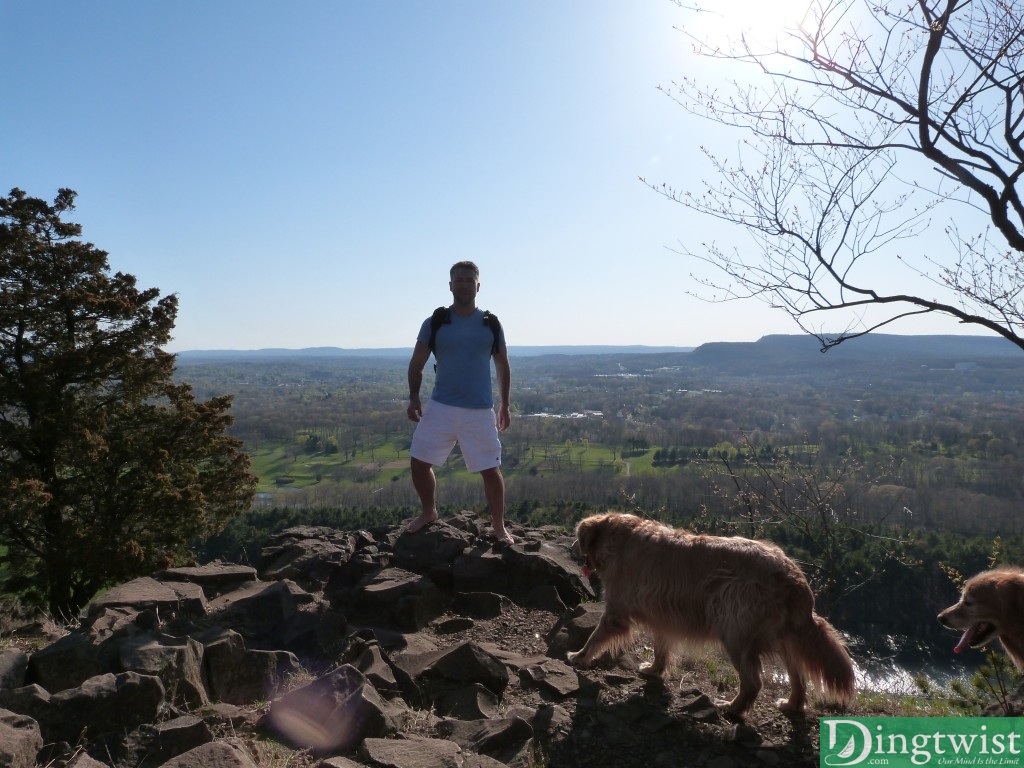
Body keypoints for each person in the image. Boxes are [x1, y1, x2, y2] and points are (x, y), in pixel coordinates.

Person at [405, 261, 514, 544]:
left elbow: (502, 365)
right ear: (450, 285)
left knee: (490, 469)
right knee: (419, 462)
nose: (464, 284)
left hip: (478, 409)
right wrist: (414, 396)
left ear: (478, 285)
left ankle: (499, 526)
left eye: (469, 280)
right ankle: (429, 512)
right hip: (441, 406)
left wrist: (505, 404)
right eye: (459, 280)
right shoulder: (436, 322)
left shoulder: (490, 324)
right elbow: (417, 363)